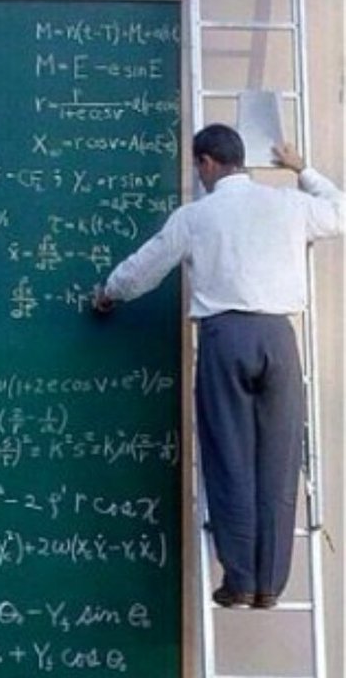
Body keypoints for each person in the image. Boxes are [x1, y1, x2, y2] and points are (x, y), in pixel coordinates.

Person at [92, 124, 345, 609]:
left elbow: (146, 266)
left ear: (206, 162)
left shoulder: (196, 216)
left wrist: (109, 293)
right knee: (278, 463)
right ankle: (270, 585)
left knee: (230, 457)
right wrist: (303, 170)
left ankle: (241, 578)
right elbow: (341, 212)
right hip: (278, 337)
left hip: (225, 338)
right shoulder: (288, 205)